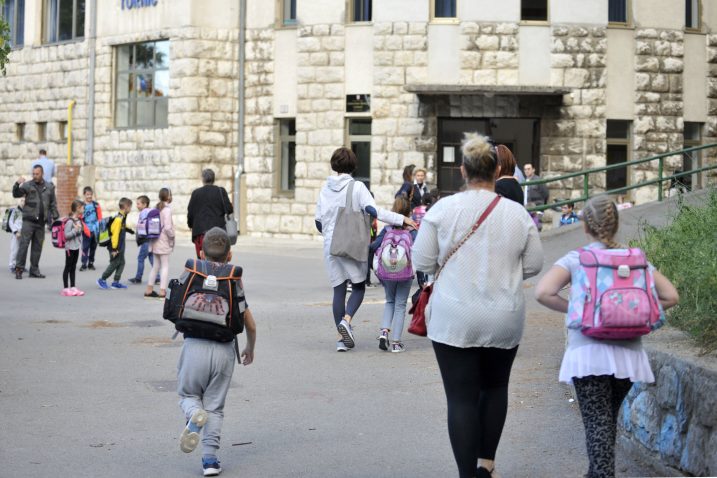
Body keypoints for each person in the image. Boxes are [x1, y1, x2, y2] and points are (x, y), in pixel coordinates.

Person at [412, 133, 544, 478]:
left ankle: (467, 475)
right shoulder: (517, 214)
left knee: (460, 399)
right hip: (504, 314)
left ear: (462, 170)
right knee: (496, 387)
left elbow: (422, 258)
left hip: (455, 314)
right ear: (497, 169)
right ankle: (486, 462)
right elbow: (533, 264)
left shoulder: (442, 210)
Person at [534, 195, 679, 478]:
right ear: (614, 225)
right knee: (605, 421)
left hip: (589, 354)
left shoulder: (578, 259)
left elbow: (543, 292)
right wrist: (639, 315)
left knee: (597, 423)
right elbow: (671, 296)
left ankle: (601, 474)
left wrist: (577, 312)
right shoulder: (636, 260)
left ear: (585, 226)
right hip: (628, 356)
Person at [315, 147, 416, 352]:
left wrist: (330, 232)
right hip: (352, 243)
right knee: (359, 287)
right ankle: (346, 320)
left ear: (334, 165)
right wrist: (401, 218)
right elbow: (373, 211)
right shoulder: (358, 187)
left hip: (330, 246)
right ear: (353, 165)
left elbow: (318, 222)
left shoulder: (324, 189)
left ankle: (341, 340)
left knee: (339, 290)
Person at [176, 227, 257, 477]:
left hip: (193, 346)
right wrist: (249, 348)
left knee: (188, 395)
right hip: (223, 351)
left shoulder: (192, 273)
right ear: (229, 255)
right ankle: (210, 460)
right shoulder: (234, 280)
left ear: (201, 252)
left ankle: (193, 413)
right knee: (215, 408)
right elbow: (250, 323)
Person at [370, 196, 417, 353]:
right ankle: (396, 343)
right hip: (405, 271)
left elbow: (375, 246)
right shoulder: (413, 229)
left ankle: (384, 332)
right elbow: (419, 250)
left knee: (390, 301)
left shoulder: (387, 228)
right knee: (400, 304)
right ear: (408, 210)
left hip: (387, 270)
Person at [12, 165, 59, 280]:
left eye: (37, 174)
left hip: (41, 223)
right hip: (28, 221)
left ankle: (34, 270)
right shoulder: (28, 185)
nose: (34, 176)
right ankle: (19, 269)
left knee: (37, 247)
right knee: (24, 245)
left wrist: (55, 215)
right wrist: (17, 183)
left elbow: (53, 203)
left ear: (42, 173)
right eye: (33, 174)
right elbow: (16, 194)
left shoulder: (49, 187)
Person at [187, 169, 233, 259]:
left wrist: (190, 224)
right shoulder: (220, 191)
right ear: (213, 179)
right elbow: (229, 209)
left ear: (203, 179)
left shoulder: (196, 193)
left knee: (202, 260)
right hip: (218, 233)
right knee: (219, 259)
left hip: (200, 233)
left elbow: (190, 212)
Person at [97, 197, 133, 290]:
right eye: (130, 207)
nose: (131, 209)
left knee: (122, 262)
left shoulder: (122, 217)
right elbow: (115, 235)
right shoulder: (118, 219)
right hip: (115, 246)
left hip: (120, 246)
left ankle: (115, 282)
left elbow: (123, 227)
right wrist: (114, 249)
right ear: (126, 207)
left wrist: (131, 230)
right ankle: (102, 279)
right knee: (114, 263)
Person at [145, 188, 175, 299]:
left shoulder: (156, 208)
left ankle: (149, 290)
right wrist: (172, 235)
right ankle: (162, 291)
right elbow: (167, 227)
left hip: (154, 240)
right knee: (165, 266)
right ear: (168, 197)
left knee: (155, 266)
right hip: (164, 241)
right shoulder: (167, 210)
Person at [128, 195, 155, 284]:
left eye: (138, 204)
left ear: (144, 204)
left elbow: (142, 226)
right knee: (151, 257)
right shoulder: (151, 211)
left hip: (145, 240)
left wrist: (140, 236)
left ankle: (138, 277)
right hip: (151, 239)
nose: (137, 205)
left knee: (140, 258)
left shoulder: (144, 212)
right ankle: (158, 277)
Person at [61, 200, 85, 297]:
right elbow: (66, 236)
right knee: (68, 266)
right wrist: (75, 230)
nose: (84, 209)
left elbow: (79, 234)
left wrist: (79, 229)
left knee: (74, 267)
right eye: (83, 208)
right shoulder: (70, 222)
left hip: (76, 247)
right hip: (69, 248)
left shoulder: (78, 220)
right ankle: (66, 288)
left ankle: (73, 286)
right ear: (78, 208)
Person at [80, 186, 103, 271]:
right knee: (85, 247)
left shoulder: (96, 205)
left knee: (93, 247)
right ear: (84, 195)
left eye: (90, 194)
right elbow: (80, 217)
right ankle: (83, 263)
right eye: (87, 194)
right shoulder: (82, 206)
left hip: (95, 230)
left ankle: (91, 263)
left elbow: (100, 216)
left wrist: (100, 226)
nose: (89, 196)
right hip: (86, 230)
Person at [7, 198, 24, 273]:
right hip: (17, 233)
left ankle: (19, 266)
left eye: (24, 201)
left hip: (23, 233)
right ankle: (12, 265)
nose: (23, 203)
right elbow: (11, 222)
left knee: (21, 251)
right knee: (15, 250)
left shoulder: (26, 211)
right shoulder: (17, 211)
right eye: (22, 201)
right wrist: (15, 232)